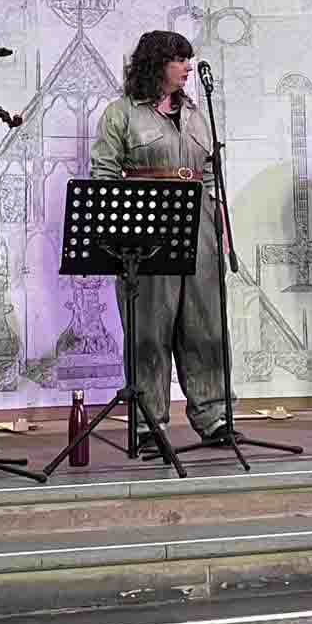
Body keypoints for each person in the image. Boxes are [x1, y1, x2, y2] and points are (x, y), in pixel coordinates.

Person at [88, 30, 231, 448]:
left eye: (189, 60)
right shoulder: (121, 114)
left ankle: (214, 414)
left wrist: (218, 213)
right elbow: (104, 175)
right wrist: (115, 238)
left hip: (199, 223)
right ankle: (150, 422)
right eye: (180, 60)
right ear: (157, 64)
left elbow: (209, 171)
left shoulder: (196, 114)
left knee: (205, 323)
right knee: (149, 328)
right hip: (146, 226)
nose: (188, 67)